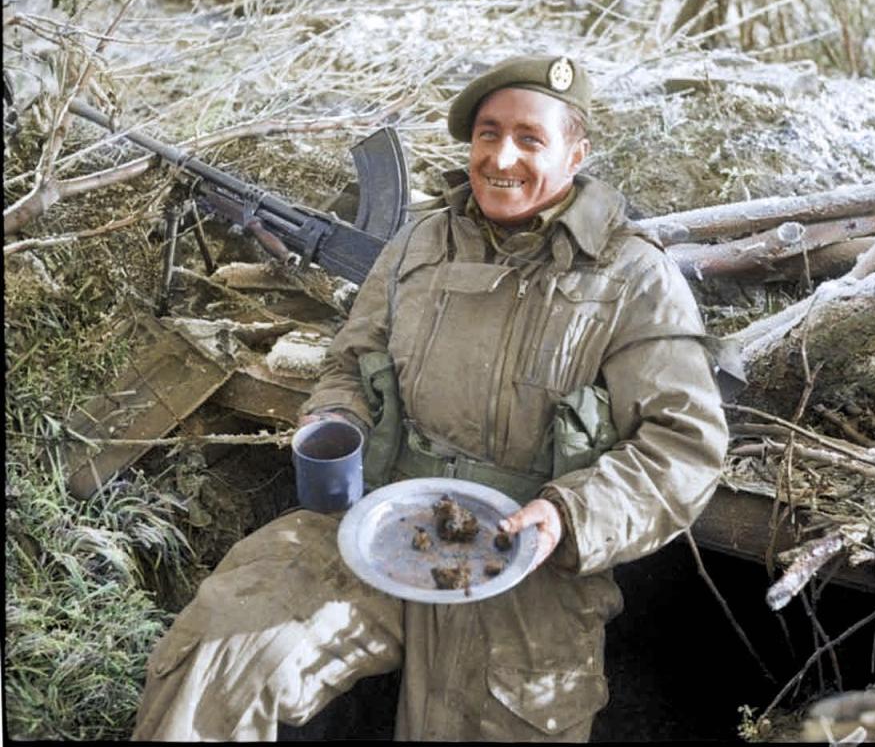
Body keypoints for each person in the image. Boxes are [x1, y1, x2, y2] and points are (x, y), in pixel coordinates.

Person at [133, 54, 733, 742]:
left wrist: (568, 516)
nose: (501, 155)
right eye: (487, 133)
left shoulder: (634, 278)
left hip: (526, 568)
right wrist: (336, 419)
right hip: (375, 529)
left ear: (577, 152)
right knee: (215, 663)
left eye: (530, 139)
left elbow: (683, 447)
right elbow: (352, 364)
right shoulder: (418, 243)